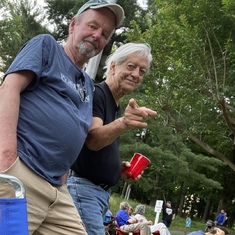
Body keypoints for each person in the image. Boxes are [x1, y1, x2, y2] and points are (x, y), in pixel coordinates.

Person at [0, 0, 124, 234]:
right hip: (21, 172)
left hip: (57, 189)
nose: (97, 35)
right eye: (92, 26)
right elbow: (8, 89)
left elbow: (78, 131)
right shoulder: (47, 46)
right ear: (73, 25)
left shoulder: (88, 84)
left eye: (104, 34)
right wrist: (6, 157)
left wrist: (64, 177)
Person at [67, 42, 157, 234]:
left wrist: (118, 170)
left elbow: (97, 148)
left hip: (97, 194)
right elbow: (92, 139)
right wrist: (124, 123)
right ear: (114, 66)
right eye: (131, 66)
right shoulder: (97, 93)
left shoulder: (114, 105)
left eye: (142, 71)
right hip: (83, 191)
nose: (136, 74)